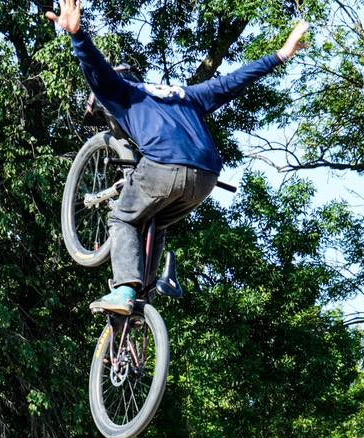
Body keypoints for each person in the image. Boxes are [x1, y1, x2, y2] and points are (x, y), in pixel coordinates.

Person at [47, 0, 310, 314]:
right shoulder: (187, 94)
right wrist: (280, 55)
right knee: (154, 221)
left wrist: (77, 35)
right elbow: (233, 82)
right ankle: (144, 297)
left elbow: (98, 70)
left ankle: (126, 289)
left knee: (121, 217)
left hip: (164, 165)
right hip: (206, 176)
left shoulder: (122, 92)